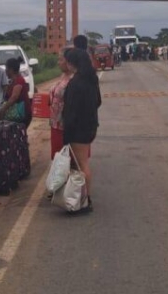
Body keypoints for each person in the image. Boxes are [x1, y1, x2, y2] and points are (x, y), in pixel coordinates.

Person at [62, 48, 101, 214]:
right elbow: (98, 101)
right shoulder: (91, 80)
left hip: (78, 129)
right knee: (82, 163)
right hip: (90, 126)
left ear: (72, 64)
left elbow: (70, 111)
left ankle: (85, 200)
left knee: (81, 164)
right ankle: (82, 198)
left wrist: (66, 134)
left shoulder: (75, 83)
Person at [49, 47, 74, 159]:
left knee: (66, 159)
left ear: (68, 61)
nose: (58, 63)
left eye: (60, 60)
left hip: (65, 125)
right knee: (58, 159)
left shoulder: (74, 79)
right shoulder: (63, 76)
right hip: (55, 123)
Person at [0, 58, 32, 127]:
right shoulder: (13, 81)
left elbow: (14, 97)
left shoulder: (19, 81)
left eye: (6, 68)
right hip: (18, 114)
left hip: (22, 114)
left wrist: (3, 109)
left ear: (11, 70)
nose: (5, 71)